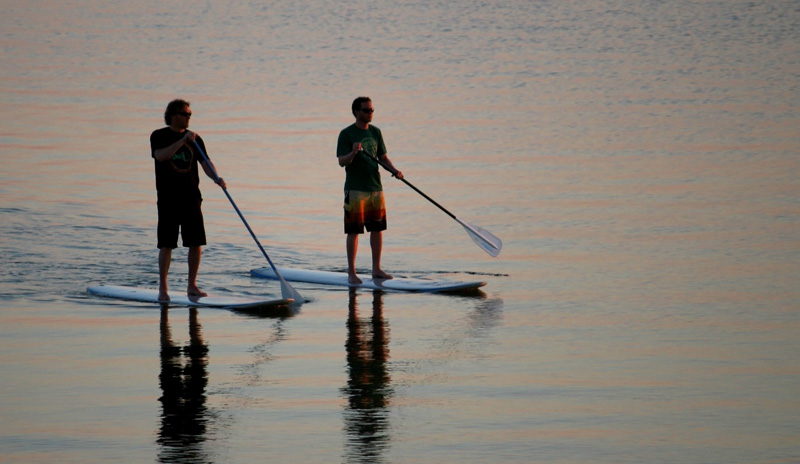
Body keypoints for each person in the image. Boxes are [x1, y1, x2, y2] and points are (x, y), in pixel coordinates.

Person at [151, 99, 226, 302]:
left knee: (196, 242)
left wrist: (217, 178)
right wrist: (183, 141)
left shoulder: (196, 139)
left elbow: (205, 162)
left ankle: (192, 286)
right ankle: (163, 289)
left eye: (190, 114)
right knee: (167, 244)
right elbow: (161, 156)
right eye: (185, 114)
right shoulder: (159, 135)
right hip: (168, 198)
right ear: (173, 115)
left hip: (191, 197)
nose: (188, 118)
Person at [336, 97, 403, 284]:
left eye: (372, 110)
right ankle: (351, 272)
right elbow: (342, 161)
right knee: (354, 231)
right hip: (355, 189)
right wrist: (353, 153)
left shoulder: (376, 132)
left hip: (375, 187)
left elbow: (382, 157)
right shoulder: (346, 134)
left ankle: (377, 269)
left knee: (377, 229)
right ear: (357, 112)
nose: (370, 113)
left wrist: (394, 171)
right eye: (366, 110)